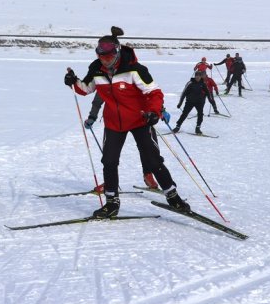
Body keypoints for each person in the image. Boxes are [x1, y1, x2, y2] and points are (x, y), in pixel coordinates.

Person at [64, 26, 190, 218]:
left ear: (117, 52)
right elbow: (86, 89)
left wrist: (154, 112)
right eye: (101, 57)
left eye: (108, 57)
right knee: (109, 161)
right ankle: (111, 203)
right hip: (114, 123)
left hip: (140, 120)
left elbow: (154, 92)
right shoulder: (96, 70)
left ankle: (173, 197)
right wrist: (73, 81)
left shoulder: (134, 69)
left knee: (153, 160)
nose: (105, 61)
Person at [85, 92, 159, 190]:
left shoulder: (135, 77)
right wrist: (92, 116)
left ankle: (149, 175)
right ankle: (110, 183)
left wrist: (160, 110)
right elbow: (98, 99)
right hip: (115, 121)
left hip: (139, 118)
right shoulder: (105, 78)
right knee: (110, 154)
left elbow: (150, 92)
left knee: (149, 149)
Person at [173, 70, 211, 134]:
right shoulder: (190, 83)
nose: (197, 77)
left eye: (199, 76)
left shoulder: (203, 83)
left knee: (200, 114)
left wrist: (210, 99)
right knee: (184, 114)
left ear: (201, 77)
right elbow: (183, 93)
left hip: (199, 102)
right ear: (195, 76)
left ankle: (198, 128)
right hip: (190, 102)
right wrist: (180, 103)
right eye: (196, 76)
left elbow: (207, 92)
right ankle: (177, 126)